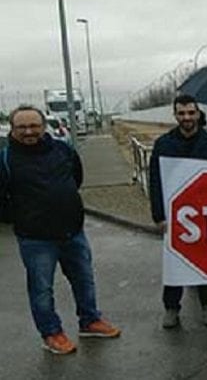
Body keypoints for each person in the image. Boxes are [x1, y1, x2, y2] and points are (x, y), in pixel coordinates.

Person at [0, 106, 121, 354]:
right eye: (21, 127)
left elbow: (76, 177)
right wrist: (23, 218)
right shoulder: (5, 159)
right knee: (42, 289)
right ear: (12, 129)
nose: (28, 131)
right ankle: (52, 333)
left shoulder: (62, 149)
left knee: (84, 280)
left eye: (34, 125)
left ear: (44, 127)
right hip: (36, 239)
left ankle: (90, 321)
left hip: (72, 231)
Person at [150, 95, 207, 328]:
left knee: (205, 262)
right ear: (175, 115)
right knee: (174, 262)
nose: (186, 117)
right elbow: (155, 180)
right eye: (182, 113)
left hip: (206, 214)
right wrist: (158, 215)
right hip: (175, 216)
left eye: (190, 113)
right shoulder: (163, 144)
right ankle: (172, 308)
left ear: (198, 114)